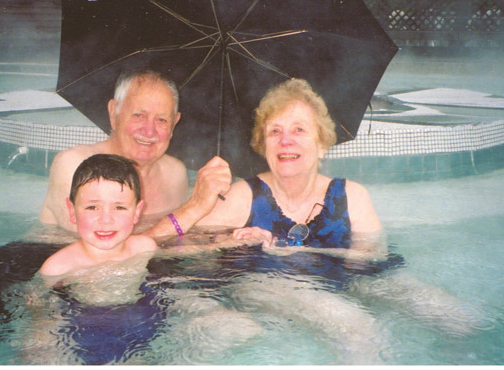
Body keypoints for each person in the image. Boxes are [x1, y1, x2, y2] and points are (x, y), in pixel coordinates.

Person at [162, 78, 382, 253]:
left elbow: (371, 263)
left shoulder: (352, 198)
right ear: (263, 145)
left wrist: (285, 248)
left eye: (299, 130)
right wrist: (231, 241)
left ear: (321, 144)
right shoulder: (241, 198)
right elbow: (170, 249)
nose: (285, 141)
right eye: (275, 131)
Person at [39, 70, 231, 234]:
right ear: (114, 112)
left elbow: (175, 245)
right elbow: (100, 253)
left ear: (175, 123)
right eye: (139, 115)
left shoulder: (174, 172)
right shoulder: (74, 165)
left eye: (162, 120)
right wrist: (194, 207)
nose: (149, 131)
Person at [39, 153, 157, 277]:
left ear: (137, 212)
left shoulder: (145, 248)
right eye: (92, 207)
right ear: (72, 211)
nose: (106, 220)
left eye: (119, 207)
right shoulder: (58, 267)